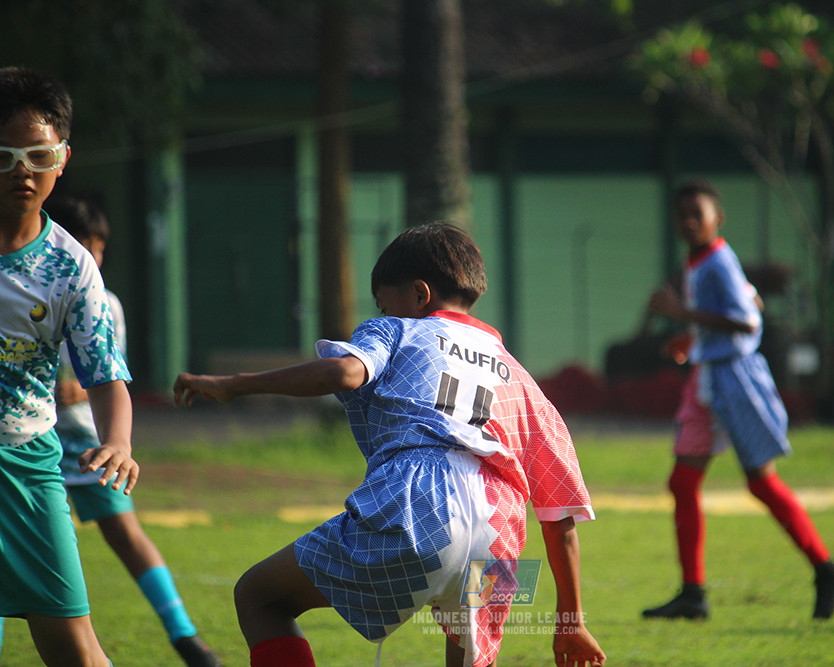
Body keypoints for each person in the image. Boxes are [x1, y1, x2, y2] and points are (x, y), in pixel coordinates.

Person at [173, 223, 605, 667]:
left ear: (419, 295)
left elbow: (343, 373)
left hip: (422, 501)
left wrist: (234, 385)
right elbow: (560, 516)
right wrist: (572, 622)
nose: (383, 311)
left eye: (385, 302)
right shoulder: (522, 381)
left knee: (259, 596)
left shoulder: (398, 330)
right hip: (501, 531)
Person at [641, 179, 834, 622]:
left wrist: (681, 315)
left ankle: (826, 568)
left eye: (696, 214)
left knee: (760, 481)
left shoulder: (718, 261)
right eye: (682, 216)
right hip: (707, 377)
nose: (687, 223)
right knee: (682, 483)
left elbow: (746, 321)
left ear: (718, 218)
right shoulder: (699, 259)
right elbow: (730, 314)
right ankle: (693, 594)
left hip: (735, 379)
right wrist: (691, 336)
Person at [41, 195, 218, 666]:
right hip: (32, 444)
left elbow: (105, 369)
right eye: (83, 245)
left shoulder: (103, 300)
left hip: (87, 443)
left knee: (126, 534)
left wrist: (77, 393)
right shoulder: (28, 282)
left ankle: (184, 636)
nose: (90, 257)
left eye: (97, 247)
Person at [0, 66, 138, 666]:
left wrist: (119, 442)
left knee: (76, 651)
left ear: (63, 158)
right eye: (5, 155)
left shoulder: (71, 267)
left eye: (38, 154)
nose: (22, 171)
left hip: (30, 467)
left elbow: (107, 376)